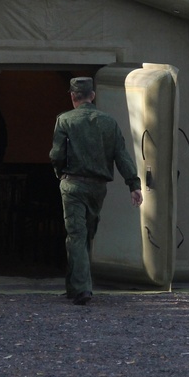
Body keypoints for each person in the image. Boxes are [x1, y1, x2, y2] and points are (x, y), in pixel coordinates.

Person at [49, 77, 142, 306]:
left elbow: (56, 154)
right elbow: (121, 155)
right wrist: (134, 184)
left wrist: (60, 173)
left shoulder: (65, 120)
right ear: (93, 95)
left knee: (76, 235)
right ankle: (76, 287)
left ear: (73, 97)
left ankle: (80, 288)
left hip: (72, 184)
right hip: (97, 187)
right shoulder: (108, 122)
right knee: (86, 234)